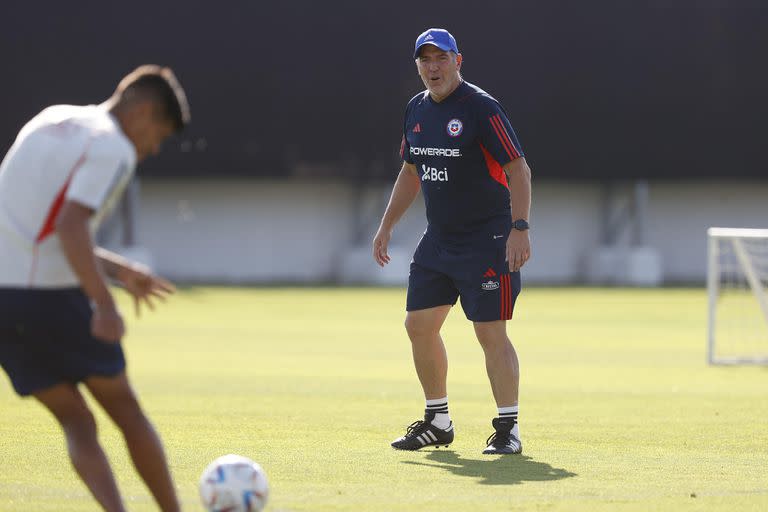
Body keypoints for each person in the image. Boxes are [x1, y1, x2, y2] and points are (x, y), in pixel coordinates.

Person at [0, 65, 190, 511]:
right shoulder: (114, 147)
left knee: (77, 420)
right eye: (158, 135)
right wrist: (105, 305)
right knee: (126, 411)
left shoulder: (49, 120)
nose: (151, 149)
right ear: (142, 111)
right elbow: (70, 226)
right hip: (50, 298)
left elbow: (30, 230)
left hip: (2, 301)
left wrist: (119, 270)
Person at [373, 28, 532, 455]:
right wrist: (386, 225)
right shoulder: (416, 110)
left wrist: (520, 228)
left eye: (440, 58)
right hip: (439, 241)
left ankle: (509, 429)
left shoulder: (481, 108)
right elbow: (411, 171)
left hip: (488, 239)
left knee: (489, 333)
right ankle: (437, 420)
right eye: (425, 60)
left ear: (458, 60)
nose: (433, 67)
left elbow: (518, 167)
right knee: (418, 325)